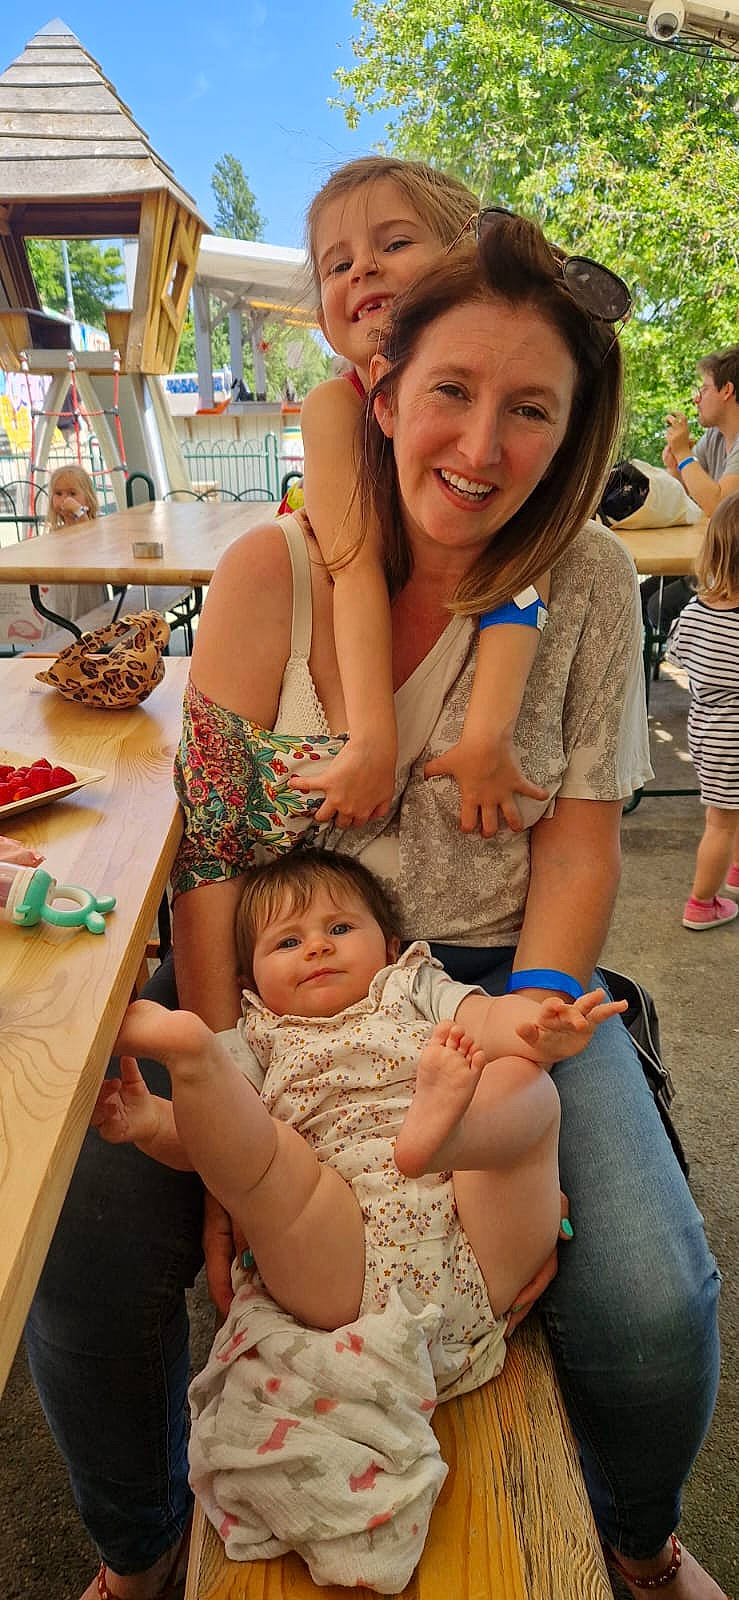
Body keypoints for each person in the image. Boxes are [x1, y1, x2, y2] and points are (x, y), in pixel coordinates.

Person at [25, 189, 724, 1600]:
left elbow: (578, 847)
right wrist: (229, 1079)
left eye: (529, 411)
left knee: (654, 1304)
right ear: (383, 392)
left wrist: (523, 1032)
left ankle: (637, 1544)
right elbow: (216, 858)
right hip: (265, 987)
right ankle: (139, 1547)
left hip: (496, 976)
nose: (481, 447)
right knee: (83, 1258)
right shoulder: (265, 574)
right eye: (450, 392)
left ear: (572, 433)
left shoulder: (585, 579)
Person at [91, 849, 623, 1587]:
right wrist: (155, 1124)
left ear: (389, 944)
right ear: (249, 979)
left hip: (474, 1230)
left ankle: (445, 1135)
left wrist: (540, 1028)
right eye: (287, 941)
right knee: (266, 1157)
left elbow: (493, 1020)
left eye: (339, 927)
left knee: (525, 1086)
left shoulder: (412, 985)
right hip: (339, 1254)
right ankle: (187, 1058)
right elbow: (214, 1148)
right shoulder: (254, 1036)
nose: (316, 946)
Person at [297, 156, 551, 837]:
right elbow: (353, 567)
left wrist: (486, 735)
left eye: (395, 242)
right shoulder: (335, 408)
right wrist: (371, 741)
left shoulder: (497, 418)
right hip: (337, 623)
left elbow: (522, 565)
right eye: (336, 264)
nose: (362, 269)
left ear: (466, 264)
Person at [667, 492, 739, 931]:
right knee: (721, 823)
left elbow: (675, 654)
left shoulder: (696, 609)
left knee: (727, 812)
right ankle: (702, 902)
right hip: (733, 736)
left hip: (706, 729)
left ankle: (735, 871)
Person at [644, 343, 739, 635]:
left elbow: (718, 505)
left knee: (658, 607)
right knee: (641, 595)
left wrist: (684, 454)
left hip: (732, 569)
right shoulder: (715, 438)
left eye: (704, 389)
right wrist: (676, 466)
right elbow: (691, 496)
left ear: (727, 390)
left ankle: (695, 657)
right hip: (717, 558)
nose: (697, 398)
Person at [40, 463, 107, 632]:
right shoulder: (56, 533)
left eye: (72, 493)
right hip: (60, 601)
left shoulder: (94, 527)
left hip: (87, 597)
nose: (65, 499)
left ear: (87, 498)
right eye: (58, 493)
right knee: (58, 633)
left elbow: (91, 541)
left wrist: (80, 513)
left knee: (88, 630)